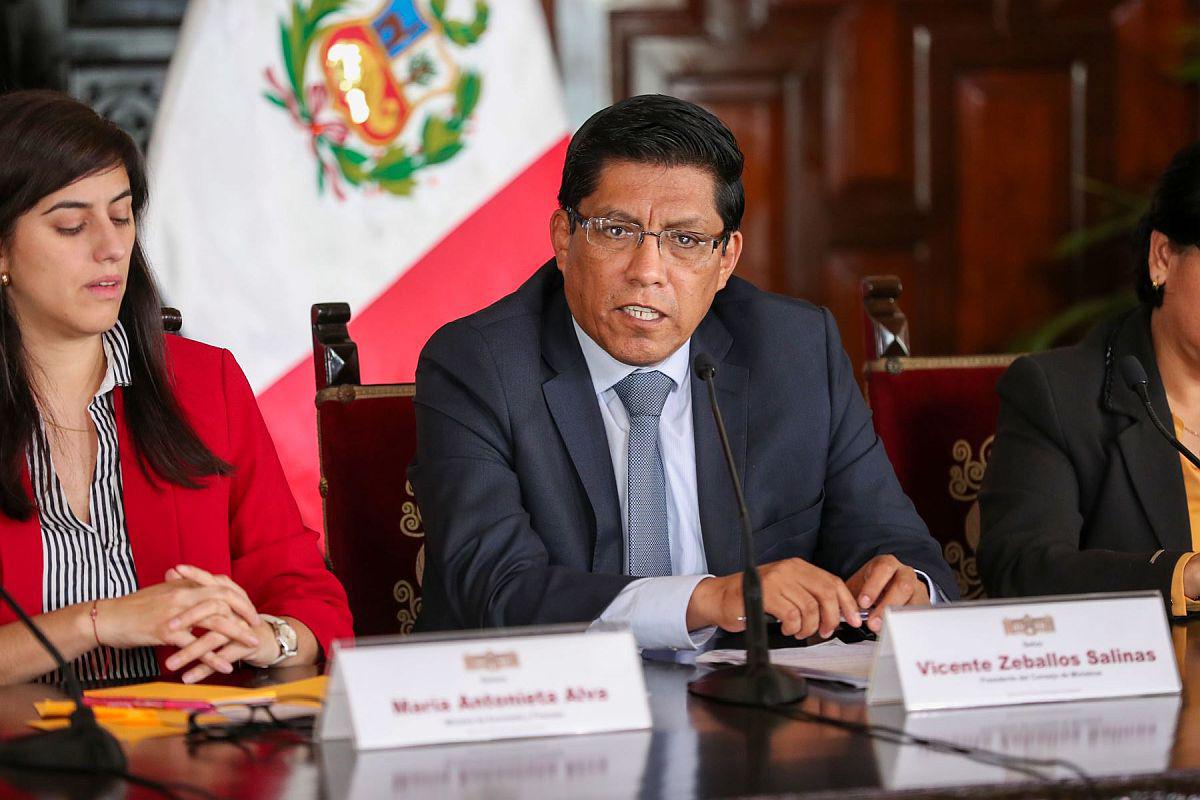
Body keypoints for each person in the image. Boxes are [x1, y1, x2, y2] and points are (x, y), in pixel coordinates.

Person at [410, 94, 956, 651]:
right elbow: (498, 589)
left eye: (686, 241)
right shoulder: (478, 364)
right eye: (616, 231)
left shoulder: (794, 351)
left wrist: (905, 589)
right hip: (548, 707)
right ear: (564, 238)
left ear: (726, 260)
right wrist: (707, 599)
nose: (648, 271)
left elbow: (893, 542)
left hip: (755, 713)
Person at [0, 90, 352, 685]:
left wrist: (269, 637)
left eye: (121, 215)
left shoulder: (203, 382)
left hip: (191, 752)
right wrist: (99, 623)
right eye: (70, 225)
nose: (112, 248)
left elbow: (308, 595)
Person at [979, 141, 1200, 614]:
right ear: (1163, 257)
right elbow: (1021, 569)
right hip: (1148, 679)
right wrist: (1184, 576)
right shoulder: (1058, 395)